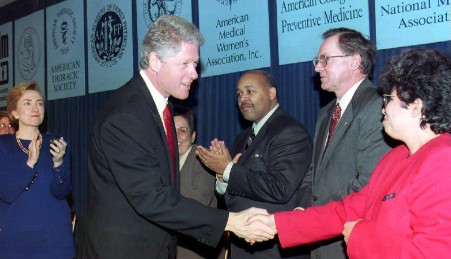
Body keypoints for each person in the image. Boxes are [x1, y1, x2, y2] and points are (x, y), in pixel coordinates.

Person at [76, 15, 275, 259]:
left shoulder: (161, 107)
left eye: (195, 64)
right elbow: (152, 198)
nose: (194, 74)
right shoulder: (126, 115)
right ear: (155, 61)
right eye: (185, 64)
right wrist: (230, 222)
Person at [248, 49, 451, 258]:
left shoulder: (446, 159)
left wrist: (359, 235)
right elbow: (348, 210)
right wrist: (276, 223)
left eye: (389, 99)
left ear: (415, 107)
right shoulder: (394, 158)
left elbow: (434, 253)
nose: (383, 108)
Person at [294, 28, 393, 259]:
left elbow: (369, 184)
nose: (318, 67)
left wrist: (319, 218)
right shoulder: (326, 113)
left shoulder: (376, 107)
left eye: (325, 59)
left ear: (354, 61)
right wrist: (302, 210)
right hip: (320, 242)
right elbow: (313, 174)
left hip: (350, 239)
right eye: (317, 61)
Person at [196, 70, 313, 258]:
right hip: (242, 247)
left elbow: (280, 188)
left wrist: (228, 170)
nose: (243, 98)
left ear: (272, 93)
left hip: (273, 250)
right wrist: (222, 179)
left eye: (250, 91)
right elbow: (233, 197)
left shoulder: (289, 131)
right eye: (239, 93)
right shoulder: (243, 137)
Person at [0, 81, 73, 258]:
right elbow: (6, 193)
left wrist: (58, 163)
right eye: (27, 103)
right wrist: (30, 163)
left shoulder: (57, 143)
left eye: (39, 103)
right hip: (17, 240)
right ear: (14, 112)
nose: (36, 108)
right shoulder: (3, 146)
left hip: (53, 239)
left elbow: (62, 192)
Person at [173, 105, 223, 259]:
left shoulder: (202, 159)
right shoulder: (164, 162)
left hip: (196, 248)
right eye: (171, 131)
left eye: (182, 130)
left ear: (193, 136)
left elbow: (198, 200)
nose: (177, 136)